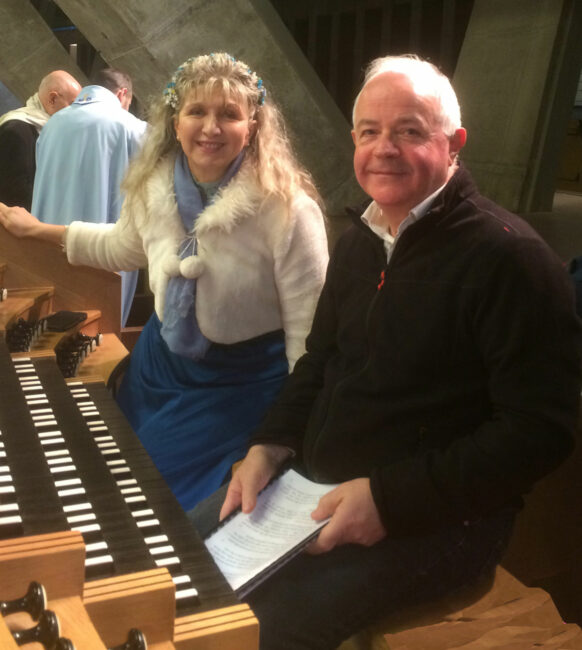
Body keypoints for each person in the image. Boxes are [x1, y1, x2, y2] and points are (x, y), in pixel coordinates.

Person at [188, 55, 582, 650]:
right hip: (311, 488)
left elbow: (540, 432)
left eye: (409, 130)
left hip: (439, 520)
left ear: (454, 144)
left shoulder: (512, 260)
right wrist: (267, 447)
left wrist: (388, 501)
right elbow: (318, 362)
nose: (384, 148)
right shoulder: (358, 243)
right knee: (171, 566)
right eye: (369, 132)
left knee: (250, 635)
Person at [0, 52, 329, 513]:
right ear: (176, 122)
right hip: (157, 369)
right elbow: (120, 246)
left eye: (228, 114)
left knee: (152, 503)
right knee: (110, 471)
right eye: (197, 111)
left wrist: (285, 437)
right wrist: (36, 230)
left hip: (236, 386)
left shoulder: (289, 210)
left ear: (252, 126)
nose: (210, 127)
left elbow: (309, 339)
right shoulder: (154, 187)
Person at [31, 67, 147, 327]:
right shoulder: (133, 128)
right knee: (99, 332)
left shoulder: (52, 125)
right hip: (102, 250)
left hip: (50, 242)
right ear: (123, 94)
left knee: (50, 326)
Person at [0, 70, 81, 210]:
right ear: (53, 99)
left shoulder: (46, 129)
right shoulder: (15, 131)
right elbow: (14, 197)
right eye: (73, 105)